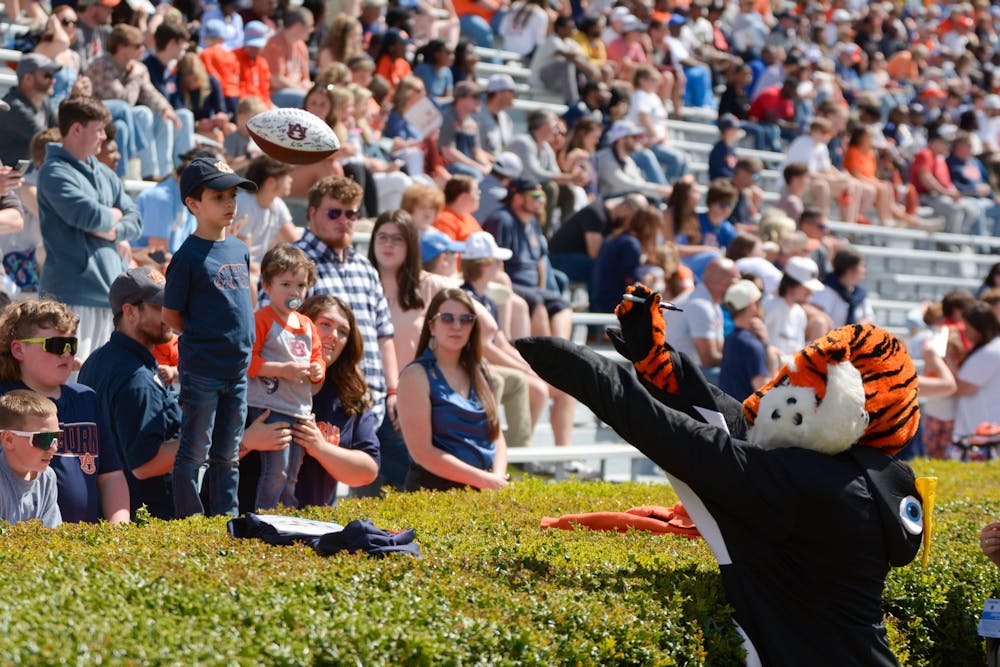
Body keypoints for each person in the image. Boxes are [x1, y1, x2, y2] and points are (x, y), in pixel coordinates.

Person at [162, 157, 258, 518]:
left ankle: (226, 519)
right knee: (195, 451)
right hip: (203, 369)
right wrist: (206, 338)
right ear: (193, 204)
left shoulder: (239, 248)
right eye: (219, 196)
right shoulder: (187, 256)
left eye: (232, 195)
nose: (230, 204)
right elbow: (171, 314)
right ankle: (190, 522)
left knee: (228, 454)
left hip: (237, 370)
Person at [0, 300, 129, 524]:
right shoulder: (5, 401)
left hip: (83, 545)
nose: (66, 353)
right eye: (56, 345)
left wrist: (118, 531)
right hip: (25, 545)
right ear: (19, 349)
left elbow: (111, 475)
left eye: (71, 345)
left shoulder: (87, 398)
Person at [38, 96, 141, 362]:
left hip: (107, 296)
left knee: (94, 387)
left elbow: (136, 220)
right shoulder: (53, 171)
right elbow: (89, 216)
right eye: (98, 129)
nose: (104, 136)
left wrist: (114, 229)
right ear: (76, 129)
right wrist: (114, 216)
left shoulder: (106, 174)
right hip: (68, 298)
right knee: (63, 381)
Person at [292, 176, 399, 430]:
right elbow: (281, 331)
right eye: (334, 213)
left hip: (374, 404)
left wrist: (393, 389)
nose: (344, 221)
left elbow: (384, 335)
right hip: (319, 403)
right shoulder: (293, 263)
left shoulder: (365, 268)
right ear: (312, 213)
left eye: (352, 214)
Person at [79, 266, 180, 520]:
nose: (169, 316)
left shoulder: (96, 360)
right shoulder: (136, 377)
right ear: (130, 312)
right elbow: (145, 465)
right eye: (159, 307)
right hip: (145, 520)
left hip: (112, 514)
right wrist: (221, 444)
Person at [397, 288, 508, 491]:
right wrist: (485, 480)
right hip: (434, 495)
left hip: (485, 490)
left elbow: (496, 434)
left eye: (466, 319)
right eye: (447, 318)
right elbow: (422, 452)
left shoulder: (480, 370)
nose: (457, 326)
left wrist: (498, 478)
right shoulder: (415, 375)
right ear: (431, 326)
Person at [246, 245, 324, 509]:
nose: (294, 292)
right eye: (286, 284)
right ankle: (265, 515)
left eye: (300, 285)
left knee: (292, 474)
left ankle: (286, 514)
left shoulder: (306, 324)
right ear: (267, 286)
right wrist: (283, 370)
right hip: (270, 407)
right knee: (275, 470)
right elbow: (249, 362)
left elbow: (317, 357)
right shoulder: (262, 319)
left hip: (299, 409)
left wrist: (317, 369)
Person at [86, 23, 183, 181]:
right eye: (137, 45)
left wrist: (166, 109)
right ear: (121, 47)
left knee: (163, 117)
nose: (143, 49)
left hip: (125, 119)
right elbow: (121, 101)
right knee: (143, 113)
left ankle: (164, 173)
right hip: (101, 117)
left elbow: (150, 93)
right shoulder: (101, 65)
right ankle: (148, 172)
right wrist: (133, 77)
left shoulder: (138, 68)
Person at [664, 257, 740, 382]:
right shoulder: (700, 306)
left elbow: (720, 351)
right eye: (735, 283)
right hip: (675, 377)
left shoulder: (708, 303)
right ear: (724, 283)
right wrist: (743, 360)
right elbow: (709, 359)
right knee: (741, 378)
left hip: (680, 372)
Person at [549, 194, 645, 291]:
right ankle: (599, 304)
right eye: (634, 217)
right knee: (601, 268)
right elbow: (595, 253)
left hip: (576, 257)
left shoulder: (613, 220)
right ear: (625, 209)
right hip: (559, 258)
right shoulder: (596, 214)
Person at [0, 389, 62, 528]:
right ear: (9, 440)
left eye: (57, 438)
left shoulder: (47, 477)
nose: (54, 448)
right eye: (44, 439)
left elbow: (51, 539)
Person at [589, 204, 662, 313]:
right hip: (611, 303)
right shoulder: (630, 244)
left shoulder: (618, 238)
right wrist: (650, 278)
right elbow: (630, 284)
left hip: (600, 300)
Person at [236, 155, 301, 270]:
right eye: (287, 176)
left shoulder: (277, 204)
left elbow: (297, 243)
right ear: (271, 182)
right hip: (243, 271)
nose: (291, 180)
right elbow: (244, 259)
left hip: (261, 271)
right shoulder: (243, 204)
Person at [951, 302, 1000, 447]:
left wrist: (948, 360)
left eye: (967, 327)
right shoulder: (990, 348)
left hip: (984, 435)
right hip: (982, 431)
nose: (964, 331)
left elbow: (960, 388)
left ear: (980, 327)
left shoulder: (990, 352)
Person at [0, 54, 60, 168]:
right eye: (47, 75)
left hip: (26, 175)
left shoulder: (44, 101)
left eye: (53, 75)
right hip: (11, 178)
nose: (53, 80)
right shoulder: (12, 106)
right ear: (28, 78)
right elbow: (47, 142)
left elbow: (59, 132)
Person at [762, 256, 825, 359]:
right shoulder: (770, 306)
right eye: (806, 287)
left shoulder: (799, 313)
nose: (811, 292)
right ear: (791, 285)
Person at [719, 279, 770, 402]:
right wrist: (768, 349)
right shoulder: (751, 345)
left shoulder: (731, 339)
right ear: (752, 306)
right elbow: (765, 394)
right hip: (747, 418)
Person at [261, 7, 314, 108]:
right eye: (310, 26)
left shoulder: (301, 46)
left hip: (297, 91)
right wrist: (300, 89)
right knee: (307, 100)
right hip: (276, 95)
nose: (312, 30)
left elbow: (306, 79)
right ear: (298, 26)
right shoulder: (274, 44)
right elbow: (275, 80)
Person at [811, 247, 875, 328]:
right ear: (850, 269)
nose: (864, 270)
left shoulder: (860, 292)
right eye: (861, 266)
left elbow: (869, 317)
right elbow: (818, 317)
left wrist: (856, 329)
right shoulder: (826, 290)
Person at [433, 175, 483, 241]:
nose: (478, 196)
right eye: (476, 192)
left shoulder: (468, 217)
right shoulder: (444, 220)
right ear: (463, 197)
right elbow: (448, 250)